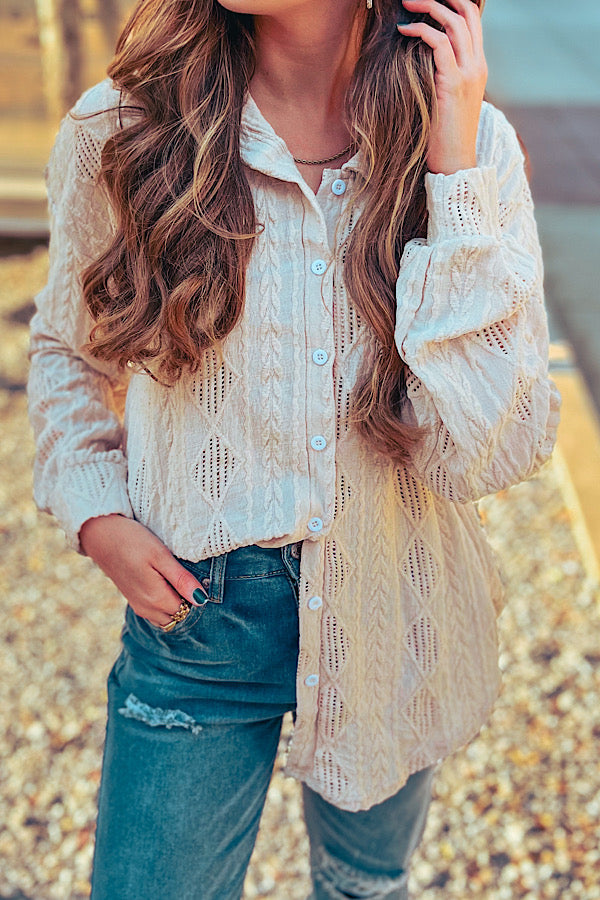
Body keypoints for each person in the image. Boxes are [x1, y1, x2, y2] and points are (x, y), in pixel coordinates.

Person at [27, 0, 560, 897]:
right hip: (197, 620)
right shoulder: (123, 127)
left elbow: (491, 449)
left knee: (363, 887)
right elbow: (66, 349)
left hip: (399, 602)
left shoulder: (470, 142)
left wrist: (452, 174)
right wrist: (95, 513)